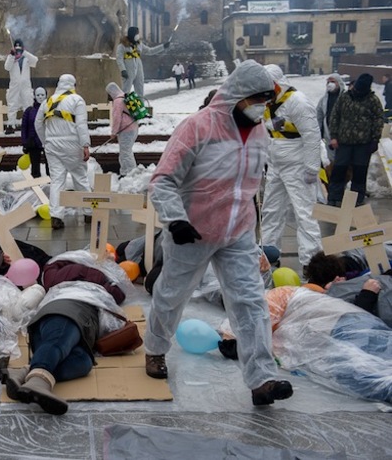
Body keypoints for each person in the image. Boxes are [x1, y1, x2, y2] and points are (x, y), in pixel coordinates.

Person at [145, 59, 293, 406]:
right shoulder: (197, 127)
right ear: (238, 95)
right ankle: (154, 349)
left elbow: (252, 184)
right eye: (257, 99)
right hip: (192, 231)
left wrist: (253, 228)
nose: (262, 107)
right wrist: (175, 219)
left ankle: (262, 378)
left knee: (251, 301)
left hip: (237, 232)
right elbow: (163, 180)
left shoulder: (259, 133)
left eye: (266, 100)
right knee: (171, 295)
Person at [220, 252, 392, 404]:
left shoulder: (288, 294)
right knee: (372, 359)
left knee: (357, 369)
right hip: (354, 324)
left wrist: (233, 342)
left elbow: (250, 323)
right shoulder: (327, 294)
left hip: (339, 327)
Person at [1, 250, 132, 415]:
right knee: (61, 335)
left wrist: (105, 268)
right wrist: (92, 272)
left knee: (83, 362)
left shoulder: (98, 273)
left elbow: (118, 294)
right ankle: (39, 381)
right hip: (63, 307)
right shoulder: (55, 270)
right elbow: (50, 279)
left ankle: (26, 372)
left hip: (83, 320)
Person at [260, 64, 323, 274]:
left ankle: (311, 262)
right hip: (276, 164)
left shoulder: (298, 102)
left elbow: (313, 136)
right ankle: (269, 254)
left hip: (298, 165)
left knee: (304, 213)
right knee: (271, 210)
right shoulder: (268, 104)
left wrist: (312, 168)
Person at [34, 74, 92, 230]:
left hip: (52, 145)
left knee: (57, 181)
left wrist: (45, 141)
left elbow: (38, 123)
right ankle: (88, 213)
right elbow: (81, 124)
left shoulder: (47, 101)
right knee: (80, 177)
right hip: (72, 144)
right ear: (73, 85)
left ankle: (56, 217)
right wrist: (85, 145)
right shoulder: (77, 100)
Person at [327, 73, 385, 207]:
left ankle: (357, 199)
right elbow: (335, 117)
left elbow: (378, 120)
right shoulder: (344, 98)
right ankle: (334, 197)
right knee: (339, 171)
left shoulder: (373, 100)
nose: (357, 91)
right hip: (343, 143)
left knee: (359, 172)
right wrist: (334, 137)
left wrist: (375, 140)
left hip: (363, 144)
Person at [115, 26, 168, 95]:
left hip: (138, 70)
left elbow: (150, 51)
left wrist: (163, 47)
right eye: (137, 33)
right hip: (128, 71)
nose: (138, 35)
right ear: (132, 34)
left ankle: (141, 104)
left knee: (140, 90)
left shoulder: (139, 44)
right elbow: (119, 59)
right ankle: (122, 104)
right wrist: (123, 70)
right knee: (125, 90)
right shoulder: (122, 46)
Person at [106, 81, 139, 177]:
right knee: (127, 151)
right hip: (133, 127)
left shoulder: (118, 101)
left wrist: (113, 132)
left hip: (126, 130)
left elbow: (117, 118)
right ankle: (130, 172)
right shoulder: (124, 96)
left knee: (125, 153)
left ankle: (128, 173)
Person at [5, 39, 39, 132]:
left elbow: (35, 60)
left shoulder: (26, 58)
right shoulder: (11, 58)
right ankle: (11, 125)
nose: (18, 52)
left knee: (27, 104)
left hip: (25, 86)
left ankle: (28, 125)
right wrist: (12, 56)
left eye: (20, 49)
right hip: (14, 85)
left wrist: (24, 52)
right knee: (12, 105)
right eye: (17, 49)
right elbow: (7, 67)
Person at [316, 74, 347, 165]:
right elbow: (319, 115)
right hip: (328, 133)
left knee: (343, 159)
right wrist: (319, 131)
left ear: (339, 83)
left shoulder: (346, 98)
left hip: (344, 135)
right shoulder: (323, 100)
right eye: (328, 82)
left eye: (333, 82)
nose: (330, 84)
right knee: (332, 158)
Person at [21, 87, 48, 178]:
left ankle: (51, 183)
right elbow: (24, 127)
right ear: (34, 96)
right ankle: (36, 184)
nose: (40, 97)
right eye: (38, 95)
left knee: (50, 165)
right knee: (35, 166)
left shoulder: (49, 109)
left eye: (42, 95)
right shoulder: (29, 111)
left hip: (47, 140)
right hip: (33, 142)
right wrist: (25, 142)